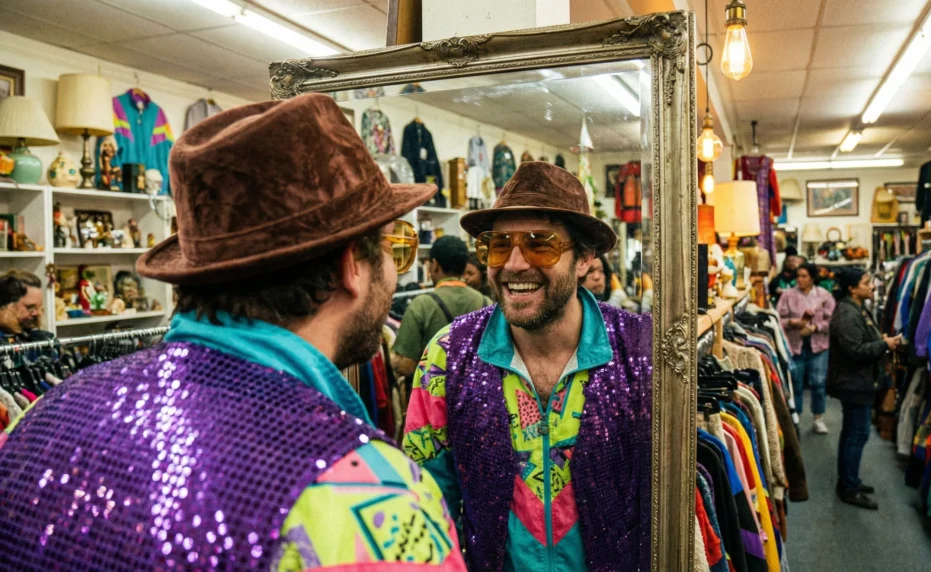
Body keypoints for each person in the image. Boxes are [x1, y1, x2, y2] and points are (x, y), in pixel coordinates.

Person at [0, 94, 466, 571]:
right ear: (352, 266)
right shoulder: (369, 493)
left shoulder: (32, 423)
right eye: (391, 250)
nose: (393, 272)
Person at [402, 162, 652, 570]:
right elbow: (426, 506)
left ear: (586, 257)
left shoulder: (642, 350)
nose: (514, 264)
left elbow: (672, 502)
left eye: (541, 243)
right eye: (498, 245)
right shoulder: (447, 356)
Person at [827, 268, 900, 510]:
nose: (872, 286)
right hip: (854, 383)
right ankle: (849, 487)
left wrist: (880, 341)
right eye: (866, 282)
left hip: (857, 381)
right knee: (856, 434)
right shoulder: (848, 313)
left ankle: (850, 481)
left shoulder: (855, 308)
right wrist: (883, 344)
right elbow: (854, 350)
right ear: (852, 288)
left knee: (852, 432)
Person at [393, 235, 489, 378]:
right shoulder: (486, 303)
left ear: (435, 265)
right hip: (478, 393)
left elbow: (405, 364)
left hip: (433, 395)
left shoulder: (421, 305)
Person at [777, 262, 834, 434]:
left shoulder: (824, 296)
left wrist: (815, 327)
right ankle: (797, 418)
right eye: (798, 276)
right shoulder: (788, 296)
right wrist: (793, 322)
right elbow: (777, 319)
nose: (800, 279)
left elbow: (833, 320)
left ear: (812, 278)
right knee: (796, 383)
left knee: (818, 383)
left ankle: (818, 417)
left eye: (804, 276)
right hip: (795, 346)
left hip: (819, 345)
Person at [0, 269, 52, 342]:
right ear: (5, 306)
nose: (38, 313)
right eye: (30, 307)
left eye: (39, 308)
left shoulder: (38, 337)